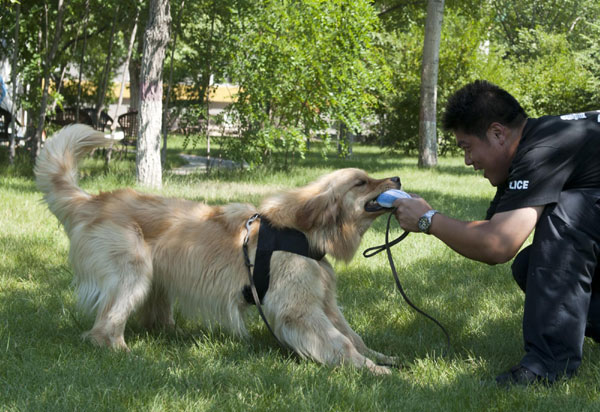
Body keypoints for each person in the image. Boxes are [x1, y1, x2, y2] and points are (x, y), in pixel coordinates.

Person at [393, 79, 600, 386]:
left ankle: (546, 366)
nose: (467, 160)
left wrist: (428, 220)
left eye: (467, 147)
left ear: (497, 133)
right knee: (530, 267)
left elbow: (498, 245)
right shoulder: (538, 144)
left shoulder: (543, 150)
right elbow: (494, 231)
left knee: (567, 214)